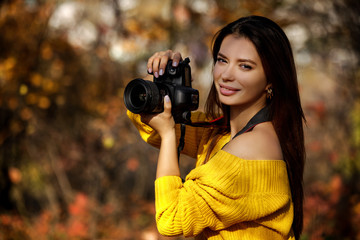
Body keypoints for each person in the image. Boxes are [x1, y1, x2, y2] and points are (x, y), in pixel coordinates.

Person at [127, 15, 305, 240]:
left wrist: (168, 135)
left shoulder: (252, 147)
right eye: (222, 60)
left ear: (271, 80)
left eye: (245, 66)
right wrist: (158, 78)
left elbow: (171, 219)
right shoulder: (221, 134)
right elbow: (146, 121)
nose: (226, 75)